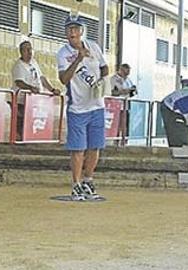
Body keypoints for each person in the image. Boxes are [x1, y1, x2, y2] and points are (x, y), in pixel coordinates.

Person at [57, 14, 108, 201]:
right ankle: (76, 183)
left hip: (96, 105)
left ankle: (88, 179)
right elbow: (63, 79)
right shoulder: (63, 53)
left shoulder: (93, 46)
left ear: (81, 31)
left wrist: (102, 82)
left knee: (95, 146)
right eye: (69, 29)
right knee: (78, 148)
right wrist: (78, 59)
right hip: (77, 107)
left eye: (76, 29)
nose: (72, 32)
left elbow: (104, 67)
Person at [12, 38, 60, 140]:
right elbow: (19, 82)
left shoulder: (33, 62)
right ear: (21, 52)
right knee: (22, 121)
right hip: (22, 100)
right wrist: (31, 88)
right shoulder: (18, 66)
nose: (29, 52)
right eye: (26, 50)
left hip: (35, 100)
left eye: (30, 49)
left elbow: (41, 78)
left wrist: (52, 89)